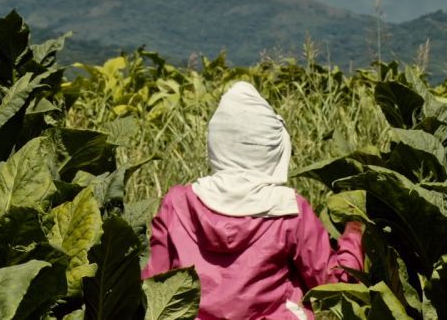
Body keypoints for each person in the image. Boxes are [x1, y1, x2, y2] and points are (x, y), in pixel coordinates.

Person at [141, 81, 365, 320]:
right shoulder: (289, 209)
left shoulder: (176, 203)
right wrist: (354, 233)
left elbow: (153, 287)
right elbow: (333, 283)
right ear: (273, 148)